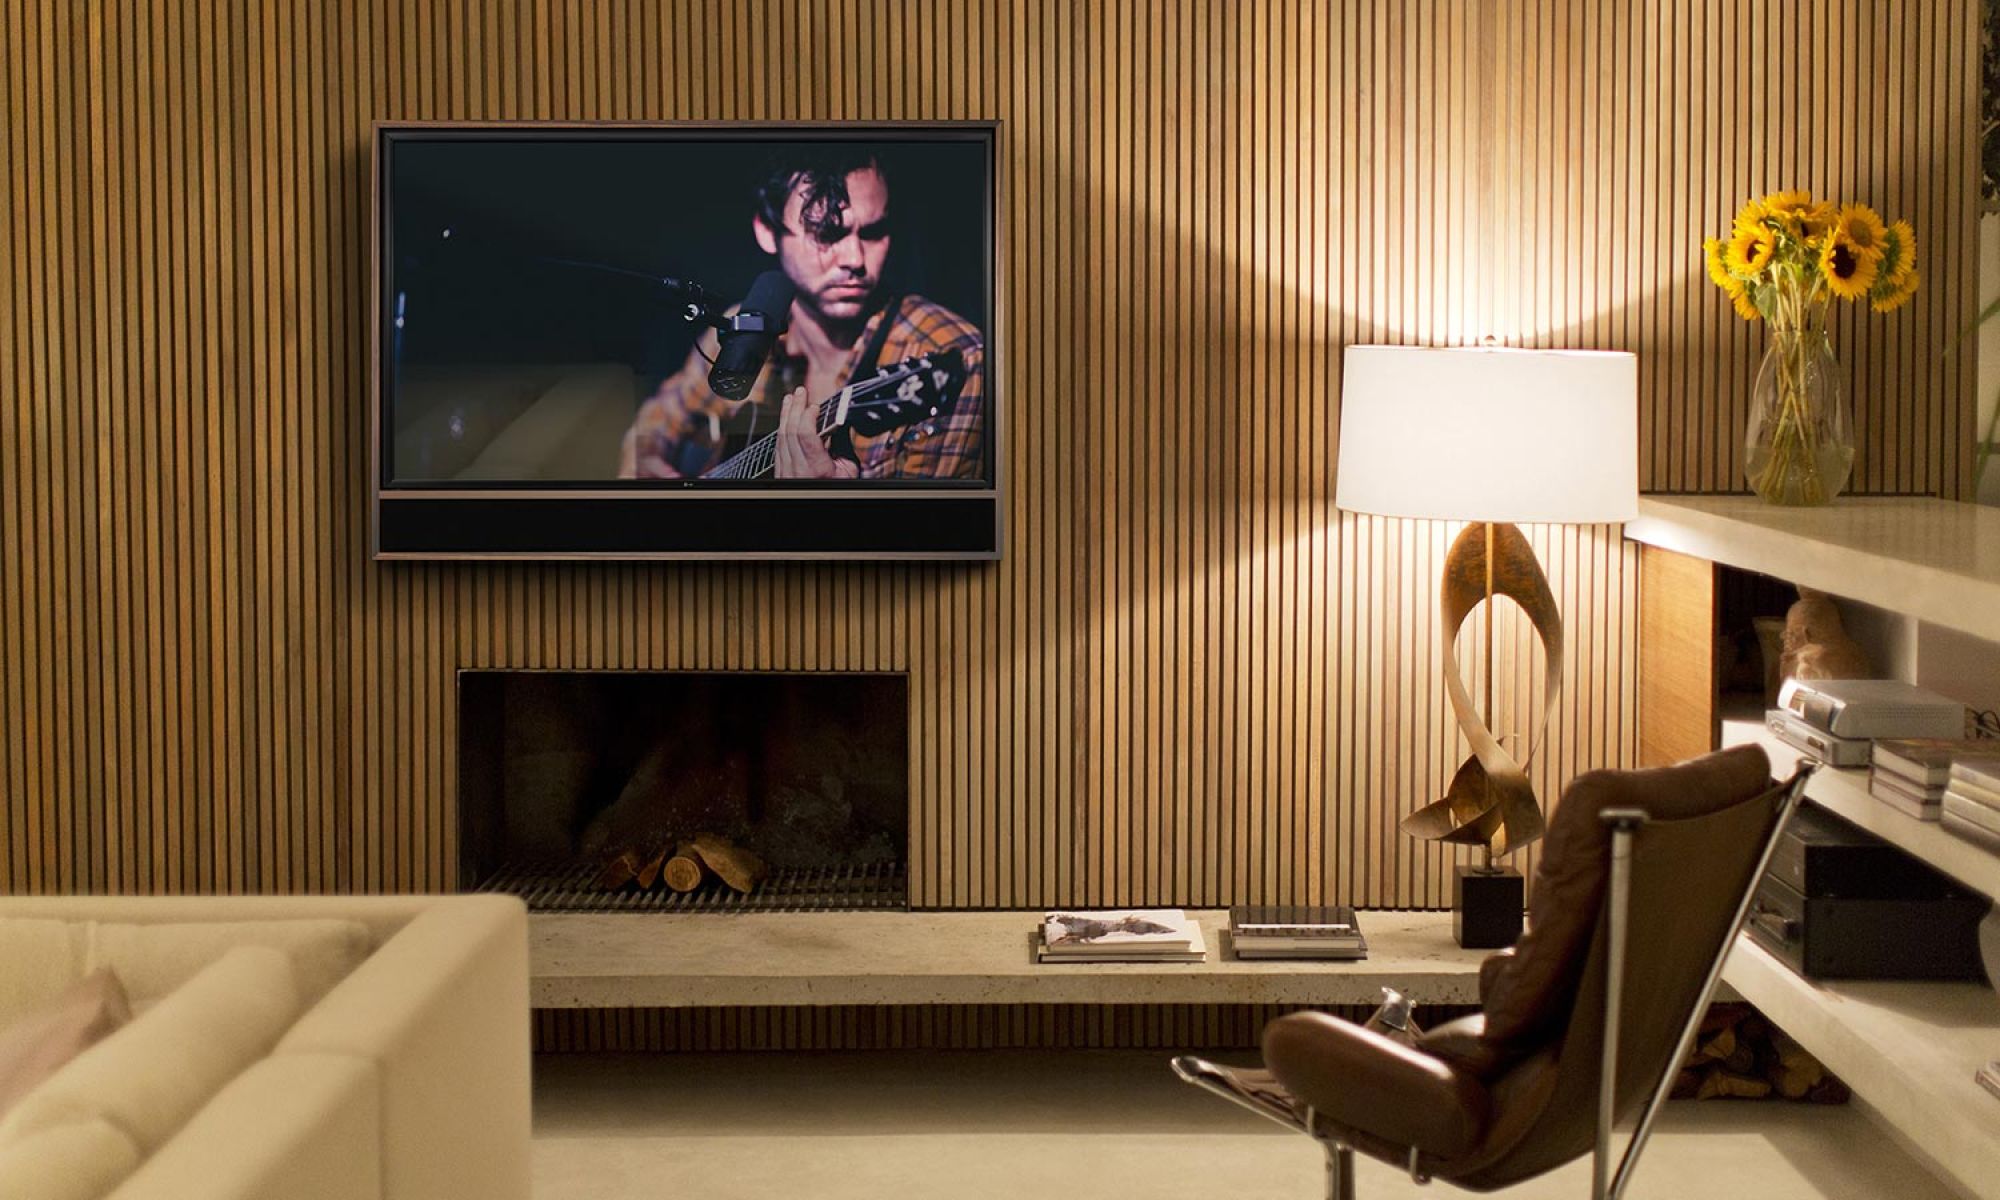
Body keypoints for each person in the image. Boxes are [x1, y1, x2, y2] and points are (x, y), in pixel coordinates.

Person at [618, 148, 986, 480]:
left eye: (873, 232)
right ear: (767, 231)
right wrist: (644, 456)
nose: (855, 259)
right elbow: (657, 420)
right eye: (826, 233)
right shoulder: (740, 329)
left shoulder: (955, 356)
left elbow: (927, 547)